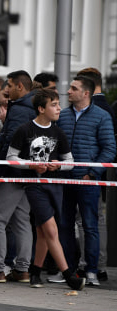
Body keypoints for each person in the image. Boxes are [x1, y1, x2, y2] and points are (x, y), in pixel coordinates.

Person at [7, 89, 85, 290]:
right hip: (34, 186)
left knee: (43, 231)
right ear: (41, 108)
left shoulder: (58, 132)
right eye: (54, 104)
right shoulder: (24, 130)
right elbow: (11, 158)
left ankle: (34, 272)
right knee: (51, 229)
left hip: (55, 186)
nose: (59, 108)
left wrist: (58, 165)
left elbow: (70, 162)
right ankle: (70, 276)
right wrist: (31, 165)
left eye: (59, 104)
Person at [57, 76, 116, 287]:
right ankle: (68, 271)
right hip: (64, 179)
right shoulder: (62, 116)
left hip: (87, 181)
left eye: (73, 88)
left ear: (86, 93)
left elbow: (109, 149)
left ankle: (91, 271)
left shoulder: (101, 117)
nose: (68, 91)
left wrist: (91, 173)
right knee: (64, 225)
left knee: (90, 226)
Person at [0, 70, 36, 284]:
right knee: (21, 220)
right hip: (24, 174)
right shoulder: (29, 106)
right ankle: (22, 269)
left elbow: (11, 139)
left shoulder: (20, 109)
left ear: (20, 87)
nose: (6, 90)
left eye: (10, 85)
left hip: (10, 172)